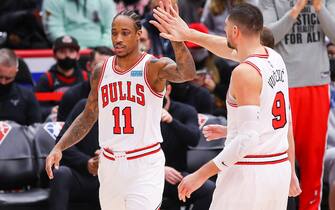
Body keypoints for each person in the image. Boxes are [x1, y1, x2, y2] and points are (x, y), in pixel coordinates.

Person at [150, 2, 301, 209]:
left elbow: (247, 139)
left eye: (226, 29)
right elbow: (281, 124)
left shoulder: (244, 72)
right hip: (277, 170)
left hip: (249, 173)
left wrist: (200, 175)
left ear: (235, 31)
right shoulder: (275, 59)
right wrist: (189, 34)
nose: (224, 33)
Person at [45, 9, 196, 210]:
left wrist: (177, 39)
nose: (118, 38)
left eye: (125, 33)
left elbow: (187, 73)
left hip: (144, 162)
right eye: (114, 32)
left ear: (138, 34)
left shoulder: (153, 66)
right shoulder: (101, 71)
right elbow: (89, 115)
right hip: (109, 164)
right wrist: (59, 147)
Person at [258, 1, 335, 209]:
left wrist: (319, 8)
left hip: (317, 83)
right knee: (279, 155)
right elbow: (266, 38)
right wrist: (296, 10)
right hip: (282, 83)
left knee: (313, 159)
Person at [161, 83, 215, 210]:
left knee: (210, 189)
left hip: (176, 175)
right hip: (149, 172)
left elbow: (194, 139)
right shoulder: (140, 113)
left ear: (168, 89)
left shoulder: (185, 110)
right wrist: (159, 168)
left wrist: (171, 121)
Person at [49, 99, 100, 210]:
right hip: (80, 174)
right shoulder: (86, 106)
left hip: (107, 177)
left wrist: (106, 156)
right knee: (61, 173)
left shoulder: (125, 112)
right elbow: (61, 145)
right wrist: (86, 162)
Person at [35, 35, 89, 119]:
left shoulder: (85, 77)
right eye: (62, 52)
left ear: (78, 55)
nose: (67, 55)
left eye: (71, 51)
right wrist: (50, 110)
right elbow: (37, 108)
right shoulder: (47, 79)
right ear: (55, 55)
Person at [57, 46, 114, 121]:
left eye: (108, 67)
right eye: (98, 67)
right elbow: (62, 129)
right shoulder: (72, 96)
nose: (103, 71)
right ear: (88, 66)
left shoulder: (124, 94)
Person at [42, 0, 116, 48]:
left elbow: (113, 28)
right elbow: (53, 31)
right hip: (67, 53)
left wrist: (102, 49)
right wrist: (75, 49)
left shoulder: (106, 2)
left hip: (103, 54)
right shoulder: (52, 1)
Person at [0, 48, 41, 125]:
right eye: (0, 77)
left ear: (16, 72)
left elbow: (35, 128)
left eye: (8, 78)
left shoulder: (27, 96)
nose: (3, 82)